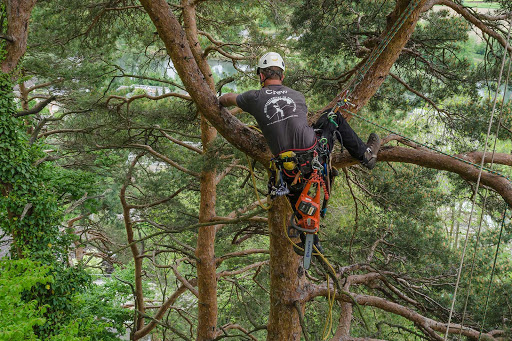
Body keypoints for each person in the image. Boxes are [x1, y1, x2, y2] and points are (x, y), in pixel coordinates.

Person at [219, 51, 381, 182]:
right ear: (282, 77)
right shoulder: (297, 96)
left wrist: (217, 99)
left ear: (261, 76)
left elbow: (228, 98)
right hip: (312, 155)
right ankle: (364, 154)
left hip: (286, 168)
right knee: (332, 116)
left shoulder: (253, 97)